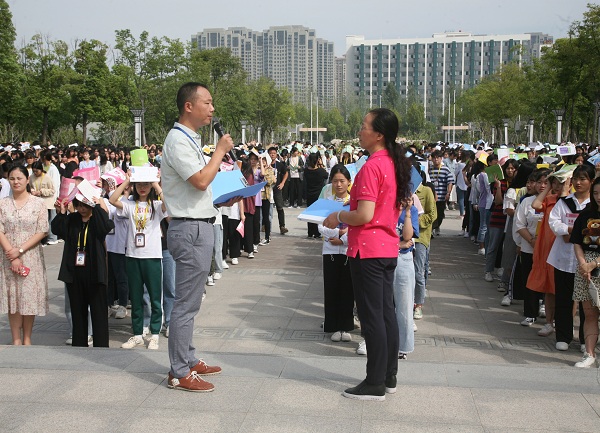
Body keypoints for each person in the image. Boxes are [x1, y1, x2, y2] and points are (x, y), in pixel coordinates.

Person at [323, 108, 412, 401]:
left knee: (372, 318)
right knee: (386, 315)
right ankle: (388, 376)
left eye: (364, 126)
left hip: (368, 250)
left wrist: (338, 216)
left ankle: (374, 382)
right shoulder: (393, 163)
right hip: (386, 247)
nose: (360, 131)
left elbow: (364, 214)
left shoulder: (372, 167)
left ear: (379, 134)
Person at [161, 82, 236, 392]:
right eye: (207, 102)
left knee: (192, 300)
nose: (212, 108)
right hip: (189, 228)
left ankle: (188, 359)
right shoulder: (177, 140)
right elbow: (201, 180)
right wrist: (219, 151)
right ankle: (179, 371)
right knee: (185, 303)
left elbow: (198, 189)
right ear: (188, 106)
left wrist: (223, 199)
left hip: (199, 223)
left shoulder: (189, 139)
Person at [109, 173, 167, 350]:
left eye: (146, 184)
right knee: (135, 298)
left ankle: (155, 334)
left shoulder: (156, 205)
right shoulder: (130, 205)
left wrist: (156, 183)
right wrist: (128, 180)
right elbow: (112, 200)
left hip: (152, 256)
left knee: (155, 298)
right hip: (133, 256)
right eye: (139, 184)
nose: (142, 188)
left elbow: (169, 204)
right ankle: (137, 334)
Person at [52, 195, 114, 347]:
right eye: (79, 205)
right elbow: (57, 229)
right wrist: (61, 213)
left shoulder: (97, 220)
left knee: (98, 312)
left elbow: (106, 226)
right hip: (74, 272)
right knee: (77, 312)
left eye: (85, 205)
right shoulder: (72, 219)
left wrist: (98, 205)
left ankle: (101, 347)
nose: (82, 209)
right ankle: (79, 345)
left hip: (95, 272)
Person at [0, 166, 49, 345]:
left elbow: (42, 230)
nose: (16, 182)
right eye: (12, 178)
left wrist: (20, 250)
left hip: (30, 255)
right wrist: (13, 255)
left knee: (28, 296)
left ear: (27, 180)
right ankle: (16, 339)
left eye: (19, 178)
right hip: (8, 256)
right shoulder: (3, 204)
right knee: (12, 296)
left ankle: (27, 338)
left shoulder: (38, 203)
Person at [318, 164, 354, 341]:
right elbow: (320, 226)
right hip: (330, 250)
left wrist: (343, 239)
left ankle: (345, 327)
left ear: (349, 182)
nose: (338, 185)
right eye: (335, 181)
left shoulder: (354, 202)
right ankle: (332, 326)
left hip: (348, 251)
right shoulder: (327, 201)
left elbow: (357, 226)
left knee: (348, 289)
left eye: (342, 181)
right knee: (331, 288)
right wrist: (337, 233)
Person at [571, 176, 600, 367]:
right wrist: (583, 264)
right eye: (595, 193)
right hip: (585, 268)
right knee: (589, 314)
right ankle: (589, 353)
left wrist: (594, 264)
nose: (598, 197)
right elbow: (576, 241)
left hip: (595, 264)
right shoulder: (585, 214)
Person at [29, 161, 56, 246]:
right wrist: (32, 191)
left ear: (41, 169)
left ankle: (46, 239)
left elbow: (52, 190)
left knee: (45, 221)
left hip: (46, 202)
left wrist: (41, 192)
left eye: (37, 171)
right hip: (35, 202)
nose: (35, 173)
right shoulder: (31, 177)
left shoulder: (47, 177)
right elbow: (30, 187)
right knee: (37, 222)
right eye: (34, 171)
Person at [429, 150, 454, 236]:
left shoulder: (445, 169)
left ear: (441, 158)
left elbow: (450, 182)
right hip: (431, 196)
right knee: (432, 213)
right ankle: (432, 228)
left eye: (438, 158)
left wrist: (448, 193)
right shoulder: (430, 169)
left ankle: (437, 226)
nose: (436, 160)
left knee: (440, 213)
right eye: (434, 158)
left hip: (442, 196)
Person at [304, 152, 329, 239]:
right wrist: (321, 165)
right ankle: (317, 232)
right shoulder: (320, 171)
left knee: (310, 213)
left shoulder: (306, 171)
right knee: (317, 214)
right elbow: (326, 175)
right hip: (318, 195)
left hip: (309, 194)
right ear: (317, 160)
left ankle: (310, 232)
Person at [268, 147, 289, 235]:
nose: (272, 155)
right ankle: (264, 225)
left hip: (277, 188)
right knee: (266, 208)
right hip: (267, 189)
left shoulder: (279, 164)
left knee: (279, 207)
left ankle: (282, 226)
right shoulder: (265, 164)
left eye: (274, 153)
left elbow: (286, 173)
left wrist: (282, 183)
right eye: (270, 153)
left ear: (276, 154)